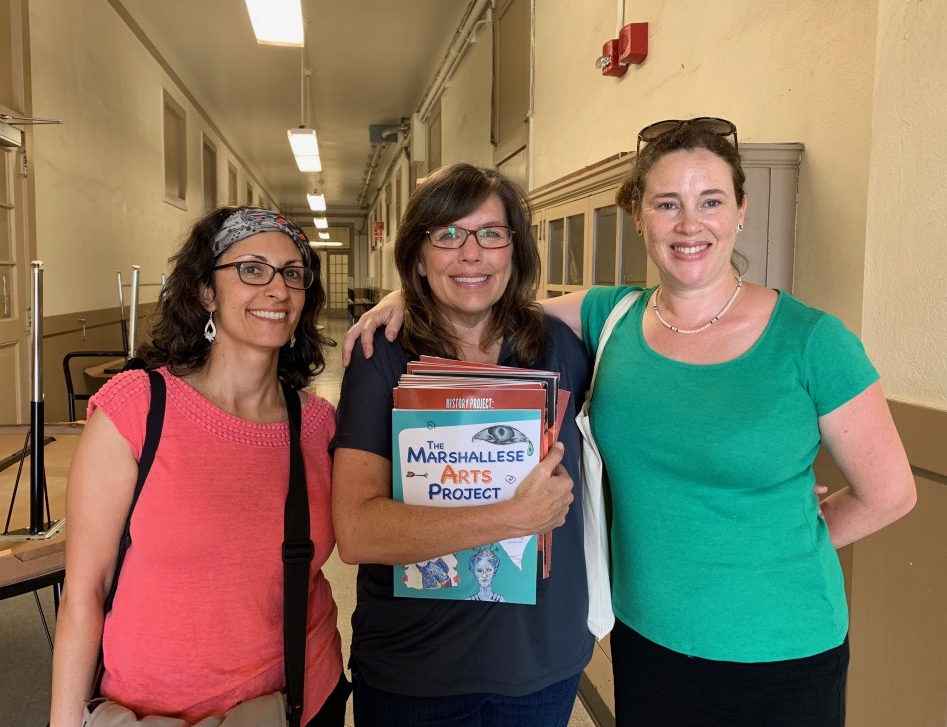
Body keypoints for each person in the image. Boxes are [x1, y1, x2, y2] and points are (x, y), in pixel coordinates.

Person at [344, 119, 917, 727]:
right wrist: (405, 293)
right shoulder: (609, 319)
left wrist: (777, 537)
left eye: (711, 202)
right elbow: (486, 293)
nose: (689, 224)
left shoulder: (812, 340)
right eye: (667, 203)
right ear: (639, 217)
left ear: (741, 211)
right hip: (646, 634)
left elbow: (890, 495)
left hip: (780, 643)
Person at [50, 207, 350, 726]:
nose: (278, 290)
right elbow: (85, 590)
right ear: (206, 292)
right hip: (153, 709)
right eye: (251, 269)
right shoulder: (138, 408)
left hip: (298, 700)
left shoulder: (316, 425)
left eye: (293, 273)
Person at [332, 163, 594, 726]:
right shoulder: (384, 360)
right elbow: (355, 533)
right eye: (446, 235)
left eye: (491, 234)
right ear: (418, 256)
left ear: (515, 250)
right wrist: (513, 516)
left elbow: (652, 309)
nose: (470, 253)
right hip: (416, 672)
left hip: (539, 666)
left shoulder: (563, 348)